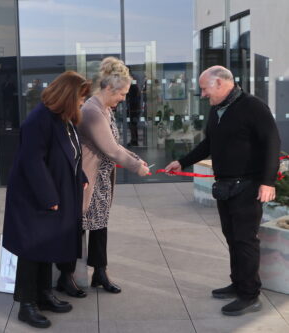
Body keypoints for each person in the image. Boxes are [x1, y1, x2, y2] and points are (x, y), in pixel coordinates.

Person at [165, 65, 281, 316]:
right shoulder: (218, 110)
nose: (203, 94)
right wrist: (182, 161)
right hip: (225, 186)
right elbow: (209, 143)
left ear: (220, 83)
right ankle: (238, 283)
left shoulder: (253, 106)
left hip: (248, 186)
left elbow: (272, 142)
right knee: (231, 237)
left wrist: (268, 182)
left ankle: (250, 295)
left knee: (245, 240)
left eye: (205, 88)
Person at [2, 71, 91, 329]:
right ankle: (26, 304)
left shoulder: (62, 118)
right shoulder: (38, 120)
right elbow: (32, 161)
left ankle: (44, 294)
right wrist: (48, 197)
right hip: (35, 197)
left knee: (47, 245)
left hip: (56, 191)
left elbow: (70, 152)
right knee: (32, 249)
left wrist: (80, 174)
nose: (83, 102)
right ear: (67, 96)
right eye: (81, 97)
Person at [55, 57, 149, 298]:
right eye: (122, 94)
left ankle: (100, 272)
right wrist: (136, 167)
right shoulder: (92, 112)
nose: (124, 98)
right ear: (109, 88)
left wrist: (137, 158)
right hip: (86, 180)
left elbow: (116, 144)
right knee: (76, 229)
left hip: (101, 181)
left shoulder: (105, 109)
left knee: (99, 227)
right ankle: (66, 277)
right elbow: (111, 149)